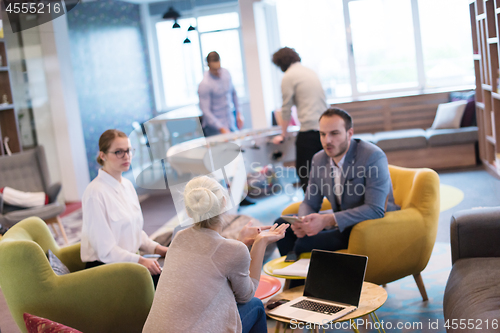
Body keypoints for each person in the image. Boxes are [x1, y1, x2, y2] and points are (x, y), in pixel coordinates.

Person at [143, 176, 288, 333]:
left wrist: (240, 242)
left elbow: (214, 264)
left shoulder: (179, 237)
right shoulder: (232, 250)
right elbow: (246, 295)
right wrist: (260, 244)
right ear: (224, 203)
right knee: (256, 305)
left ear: (188, 210)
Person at [275, 108, 400, 257]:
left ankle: (304, 278)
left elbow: (375, 209)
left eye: (334, 133)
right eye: (323, 134)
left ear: (350, 133)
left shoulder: (372, 156)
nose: (327, 140)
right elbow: (310, 202)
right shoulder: (319, 159)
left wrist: (327, 220)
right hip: (341, 220)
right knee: (282, 227)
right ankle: (301, 279)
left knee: (306, 243)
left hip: (370, 224)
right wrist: (304, 222)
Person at [80, 129, 168, 287]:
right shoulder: (95, 193)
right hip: (105, 270)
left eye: (128, 151)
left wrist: (159, 249)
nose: (126, 156)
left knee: (177, 270)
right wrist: (141, 260)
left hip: (128, 262)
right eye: (119, 152)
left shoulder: (127, 185)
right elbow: (105, 251)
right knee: (168, 284)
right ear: (103, 155)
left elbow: (132, 231)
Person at [271, 47, 328, 192]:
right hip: (325, 128)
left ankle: (311, 207)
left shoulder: (288, 76)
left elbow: (286, 108)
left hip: (310, 129)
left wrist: (283, 134)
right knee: (324, 171)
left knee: (304, 171)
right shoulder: (309, 71)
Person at [198, 51, 244, 137]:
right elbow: (206, 111)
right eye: (215, 69)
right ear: (208, 66)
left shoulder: (226, 74)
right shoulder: (205, 84)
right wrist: (221, 127)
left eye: (219, 68)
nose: (218, 72)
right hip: (215, 129)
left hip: (230, 122)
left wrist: (239, 113)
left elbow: (234, 94)